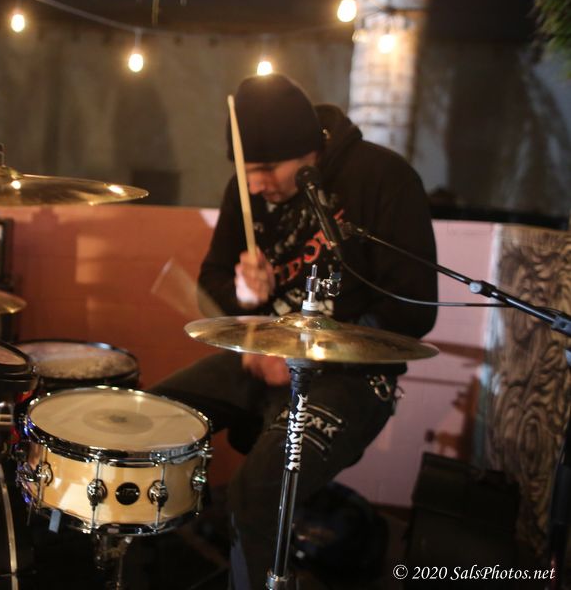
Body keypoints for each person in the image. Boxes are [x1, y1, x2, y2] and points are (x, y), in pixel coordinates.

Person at [150, 73, 438, 589]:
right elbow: (212, 280)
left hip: (352, 378)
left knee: (260, 492)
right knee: (150, 422)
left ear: (309, 153)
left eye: (266, 169)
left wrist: (313, 350)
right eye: (247, 172)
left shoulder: (382, 178)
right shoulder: (245, 192)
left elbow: (413, 309)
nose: (256, 185)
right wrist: (243, 293)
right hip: (263, 359)